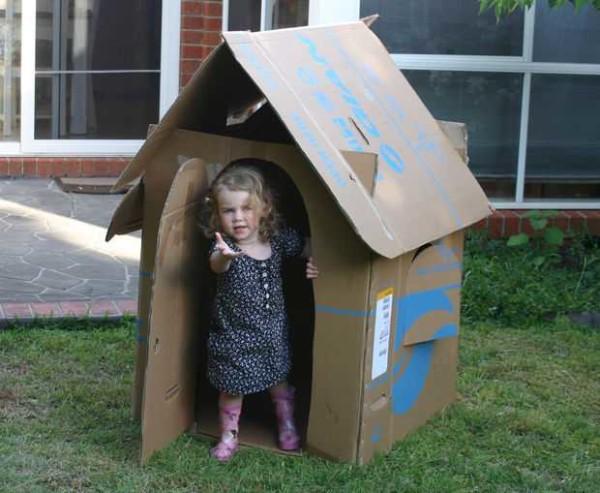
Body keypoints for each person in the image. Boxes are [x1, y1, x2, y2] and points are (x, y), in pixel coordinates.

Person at [201, 163, 319, 462]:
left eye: (246, 208)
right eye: (229, 211)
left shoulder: (275, 240)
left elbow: (310, 246)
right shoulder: (225, 246)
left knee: (279, 381)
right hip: (235, 337)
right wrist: (223, 257)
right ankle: (229, 436)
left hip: (272, 334)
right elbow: (216, 263)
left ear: (264, 208)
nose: (238, 217)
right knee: (231, 387)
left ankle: (287, 423)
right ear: (218, 214)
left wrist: (320, 263)